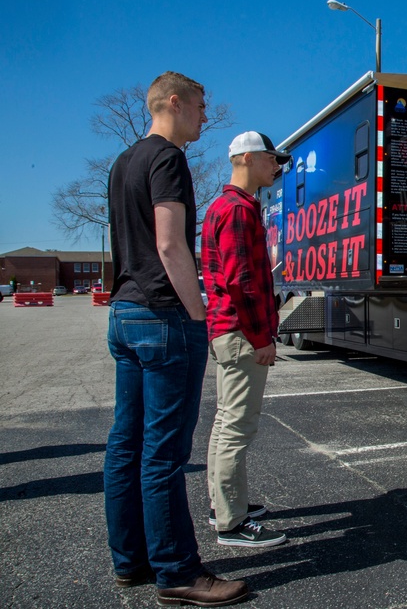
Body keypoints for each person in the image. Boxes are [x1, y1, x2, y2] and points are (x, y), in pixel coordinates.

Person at [104, 71, 248, 606]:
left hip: (124, 312)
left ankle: (131, 560)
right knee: (163, 455)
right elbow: (169, 244)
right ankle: (177, 572)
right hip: (163, 316)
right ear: (174, 102)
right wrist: (198, 314)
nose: (205, 117)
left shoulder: (124, 162)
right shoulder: (167, 158)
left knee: (126, 444)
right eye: (201, 106)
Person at [202, 132, 289, 548]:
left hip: (228, 331)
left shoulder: (226, 206)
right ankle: (232, 525)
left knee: (225, 424)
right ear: (249, 158)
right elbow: (243, 282)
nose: (278, 167)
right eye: (273, 159)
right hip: (241, 334)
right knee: (237, 426)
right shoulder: (237, 210)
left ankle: (224, 504)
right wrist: (261, 338)